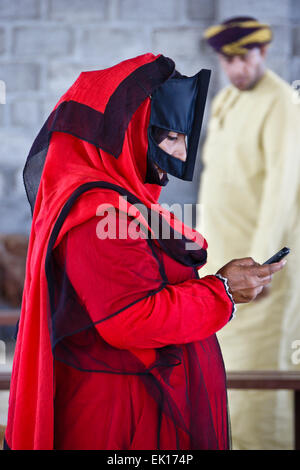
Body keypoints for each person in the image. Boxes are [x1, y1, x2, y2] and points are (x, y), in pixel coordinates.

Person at [3, 53, 285, 450]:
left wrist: (227, 288)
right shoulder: (97, 214)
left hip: (141, 404)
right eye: (171, 137)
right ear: (130, 130)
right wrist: (222, 291)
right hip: (121, 418)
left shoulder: (123, 206)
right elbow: (132, 319)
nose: (182, 155)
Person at [197, 17, 300, 450]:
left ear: (263, 53)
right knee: (227, 386)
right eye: (228, 60)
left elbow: (282, 189)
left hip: (256, 278)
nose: (237, 68)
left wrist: (263, 268)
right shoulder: (227, 101)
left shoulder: (281, 103)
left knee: (259, 389)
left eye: (244, 58)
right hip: (223, 275)